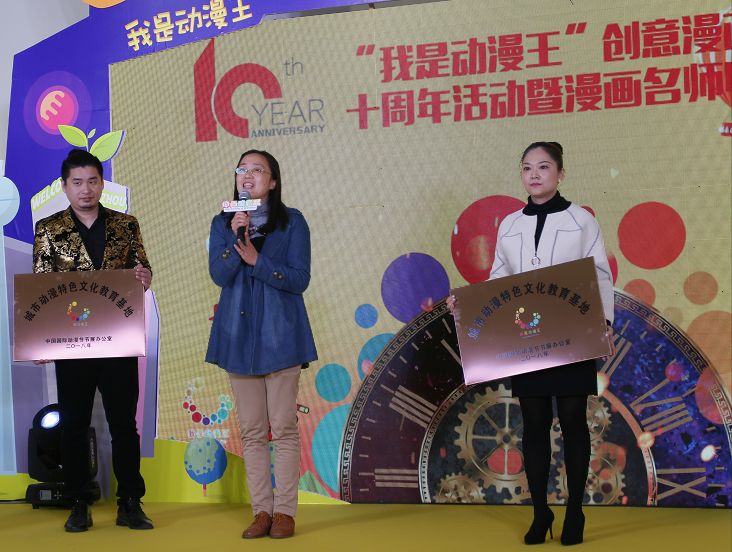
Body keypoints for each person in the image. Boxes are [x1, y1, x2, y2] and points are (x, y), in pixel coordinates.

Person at [448, 142, 614, 546]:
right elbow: (499, 279)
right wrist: (468, 306)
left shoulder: (581, 220)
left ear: (561, 173)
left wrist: (604, 322)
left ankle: (575, 512)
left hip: (573, 332)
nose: (534, 174)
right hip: (529, 339)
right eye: (527, 168)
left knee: (573, 421)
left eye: (543, 167)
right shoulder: (509, 224)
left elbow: (600, 273)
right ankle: (541, 512)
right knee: (534, 423)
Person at [32, 149, 154, 532]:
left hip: (118, 339)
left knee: (124, 426)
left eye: (92, 181)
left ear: (102, 183)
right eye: (77, 182)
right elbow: (41, 287)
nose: (85, 189)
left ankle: (130, 501)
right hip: (73, 345)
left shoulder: (126, 225)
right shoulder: (49, 229)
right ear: (64, 186)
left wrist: (145, 277)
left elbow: (142, 269)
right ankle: (78, 503)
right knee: (73, 425)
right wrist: (39, 342)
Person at [206, 149, 317, 540]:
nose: (248, 176)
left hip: (281, 337)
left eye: (257, 170)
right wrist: (237, 239)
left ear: (272, 181)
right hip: (238, 338)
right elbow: (219, 274)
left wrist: (258, 260)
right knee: (252, 431)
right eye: (243, 170)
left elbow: (300, 278)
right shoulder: (224, 222)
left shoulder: (293, 221)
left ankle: (285, 511)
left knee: (283, 428)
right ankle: (261, 513)